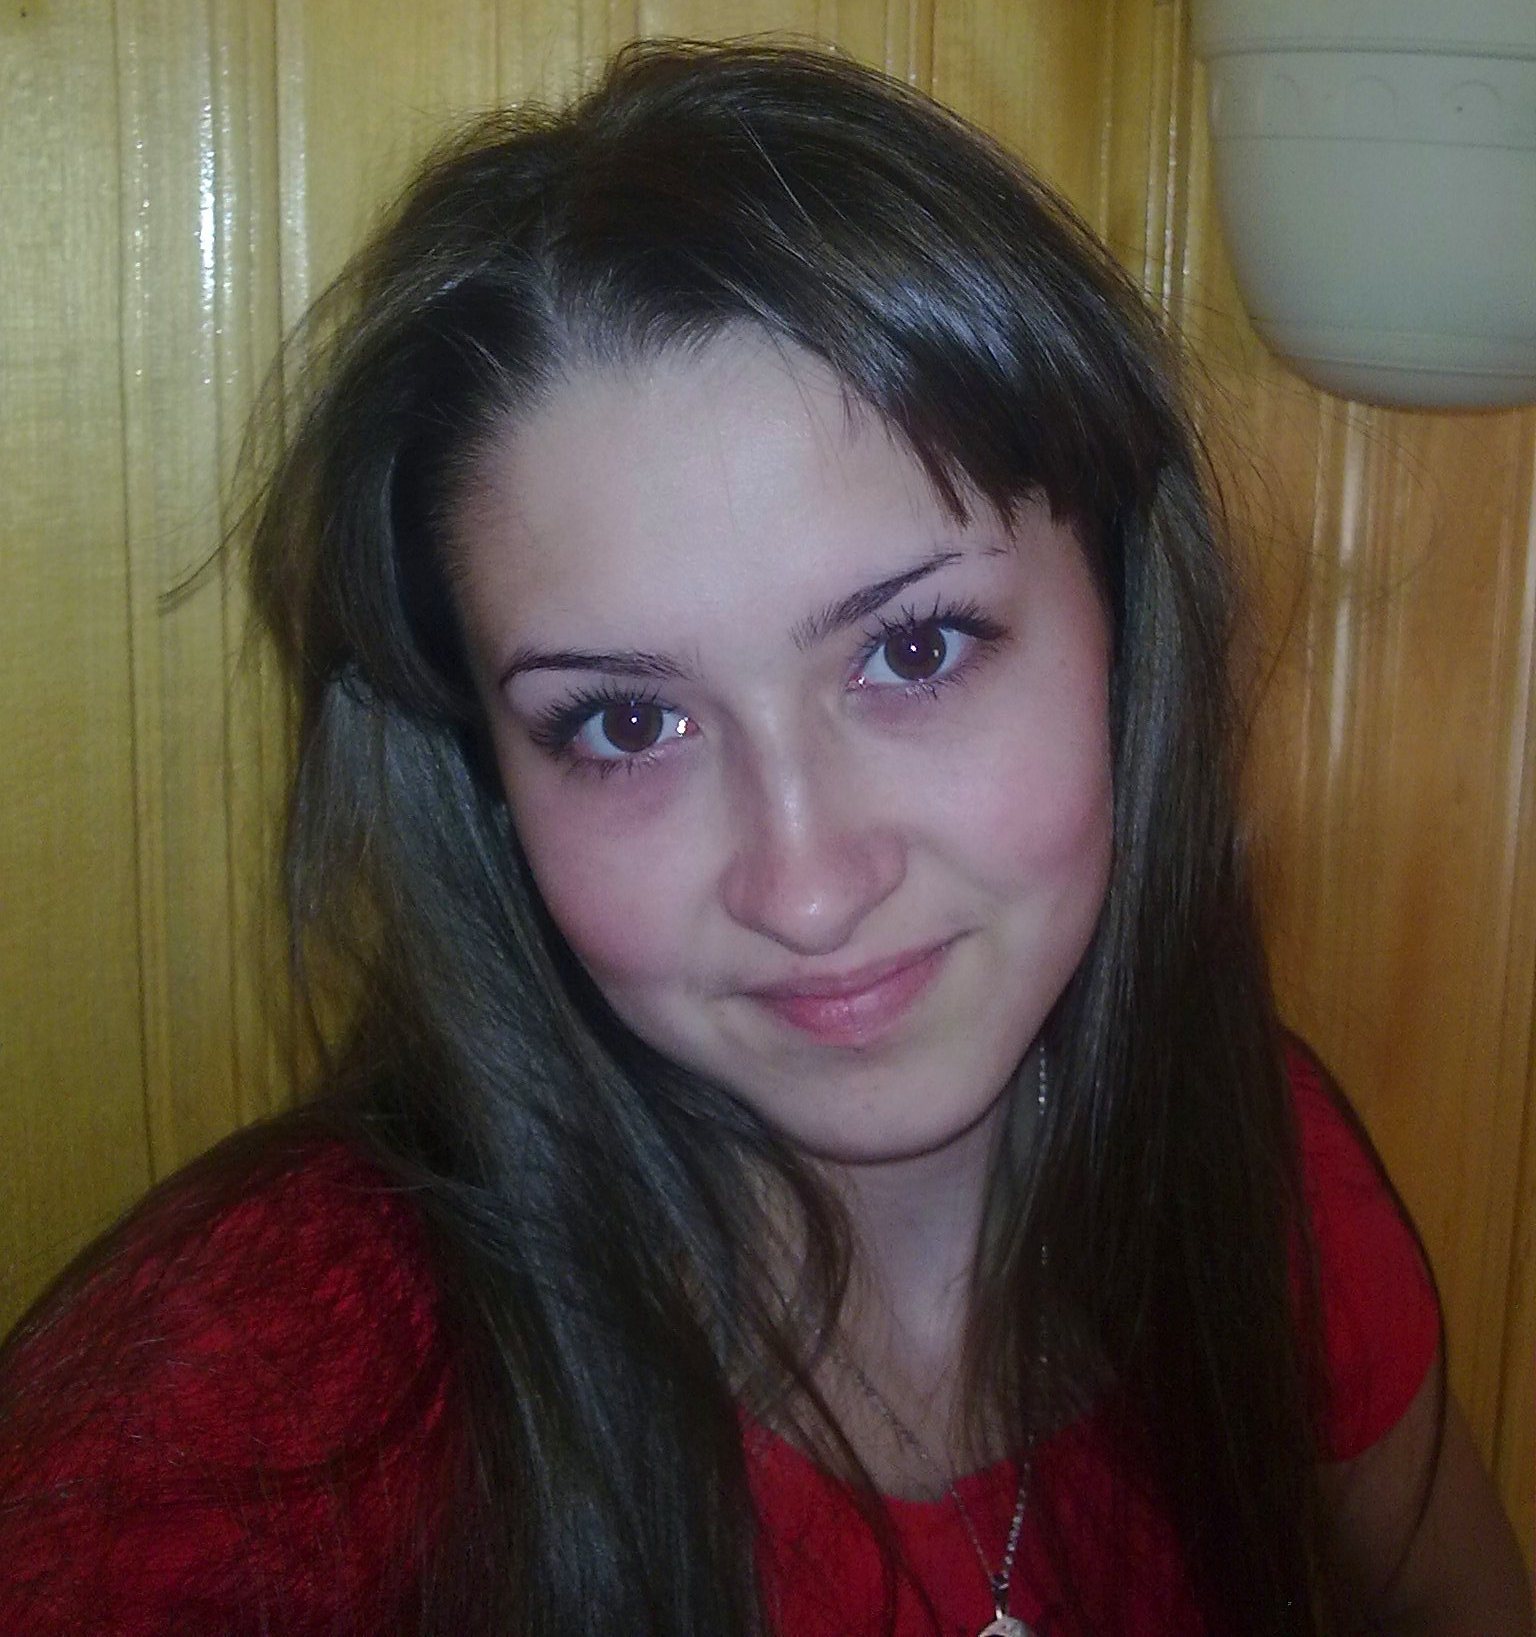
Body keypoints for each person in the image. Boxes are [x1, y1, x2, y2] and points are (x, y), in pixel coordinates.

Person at [0, 38, 1529, 1637]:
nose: (805, 886)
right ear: (489, 781)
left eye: (914, 650)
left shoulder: (1250, 1164)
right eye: (625, 723)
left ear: (1127, 627)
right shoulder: (281, 1390)